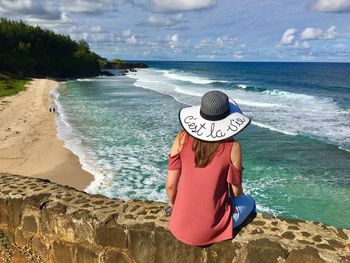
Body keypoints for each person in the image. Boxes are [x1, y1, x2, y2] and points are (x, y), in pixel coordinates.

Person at [166, 90, 256, 246]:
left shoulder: (181, 137)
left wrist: (176, 207)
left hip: (178, 224)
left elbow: (170, 185)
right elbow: (236, 192)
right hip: (211, 229)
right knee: (250, 202)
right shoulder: (232, 146)